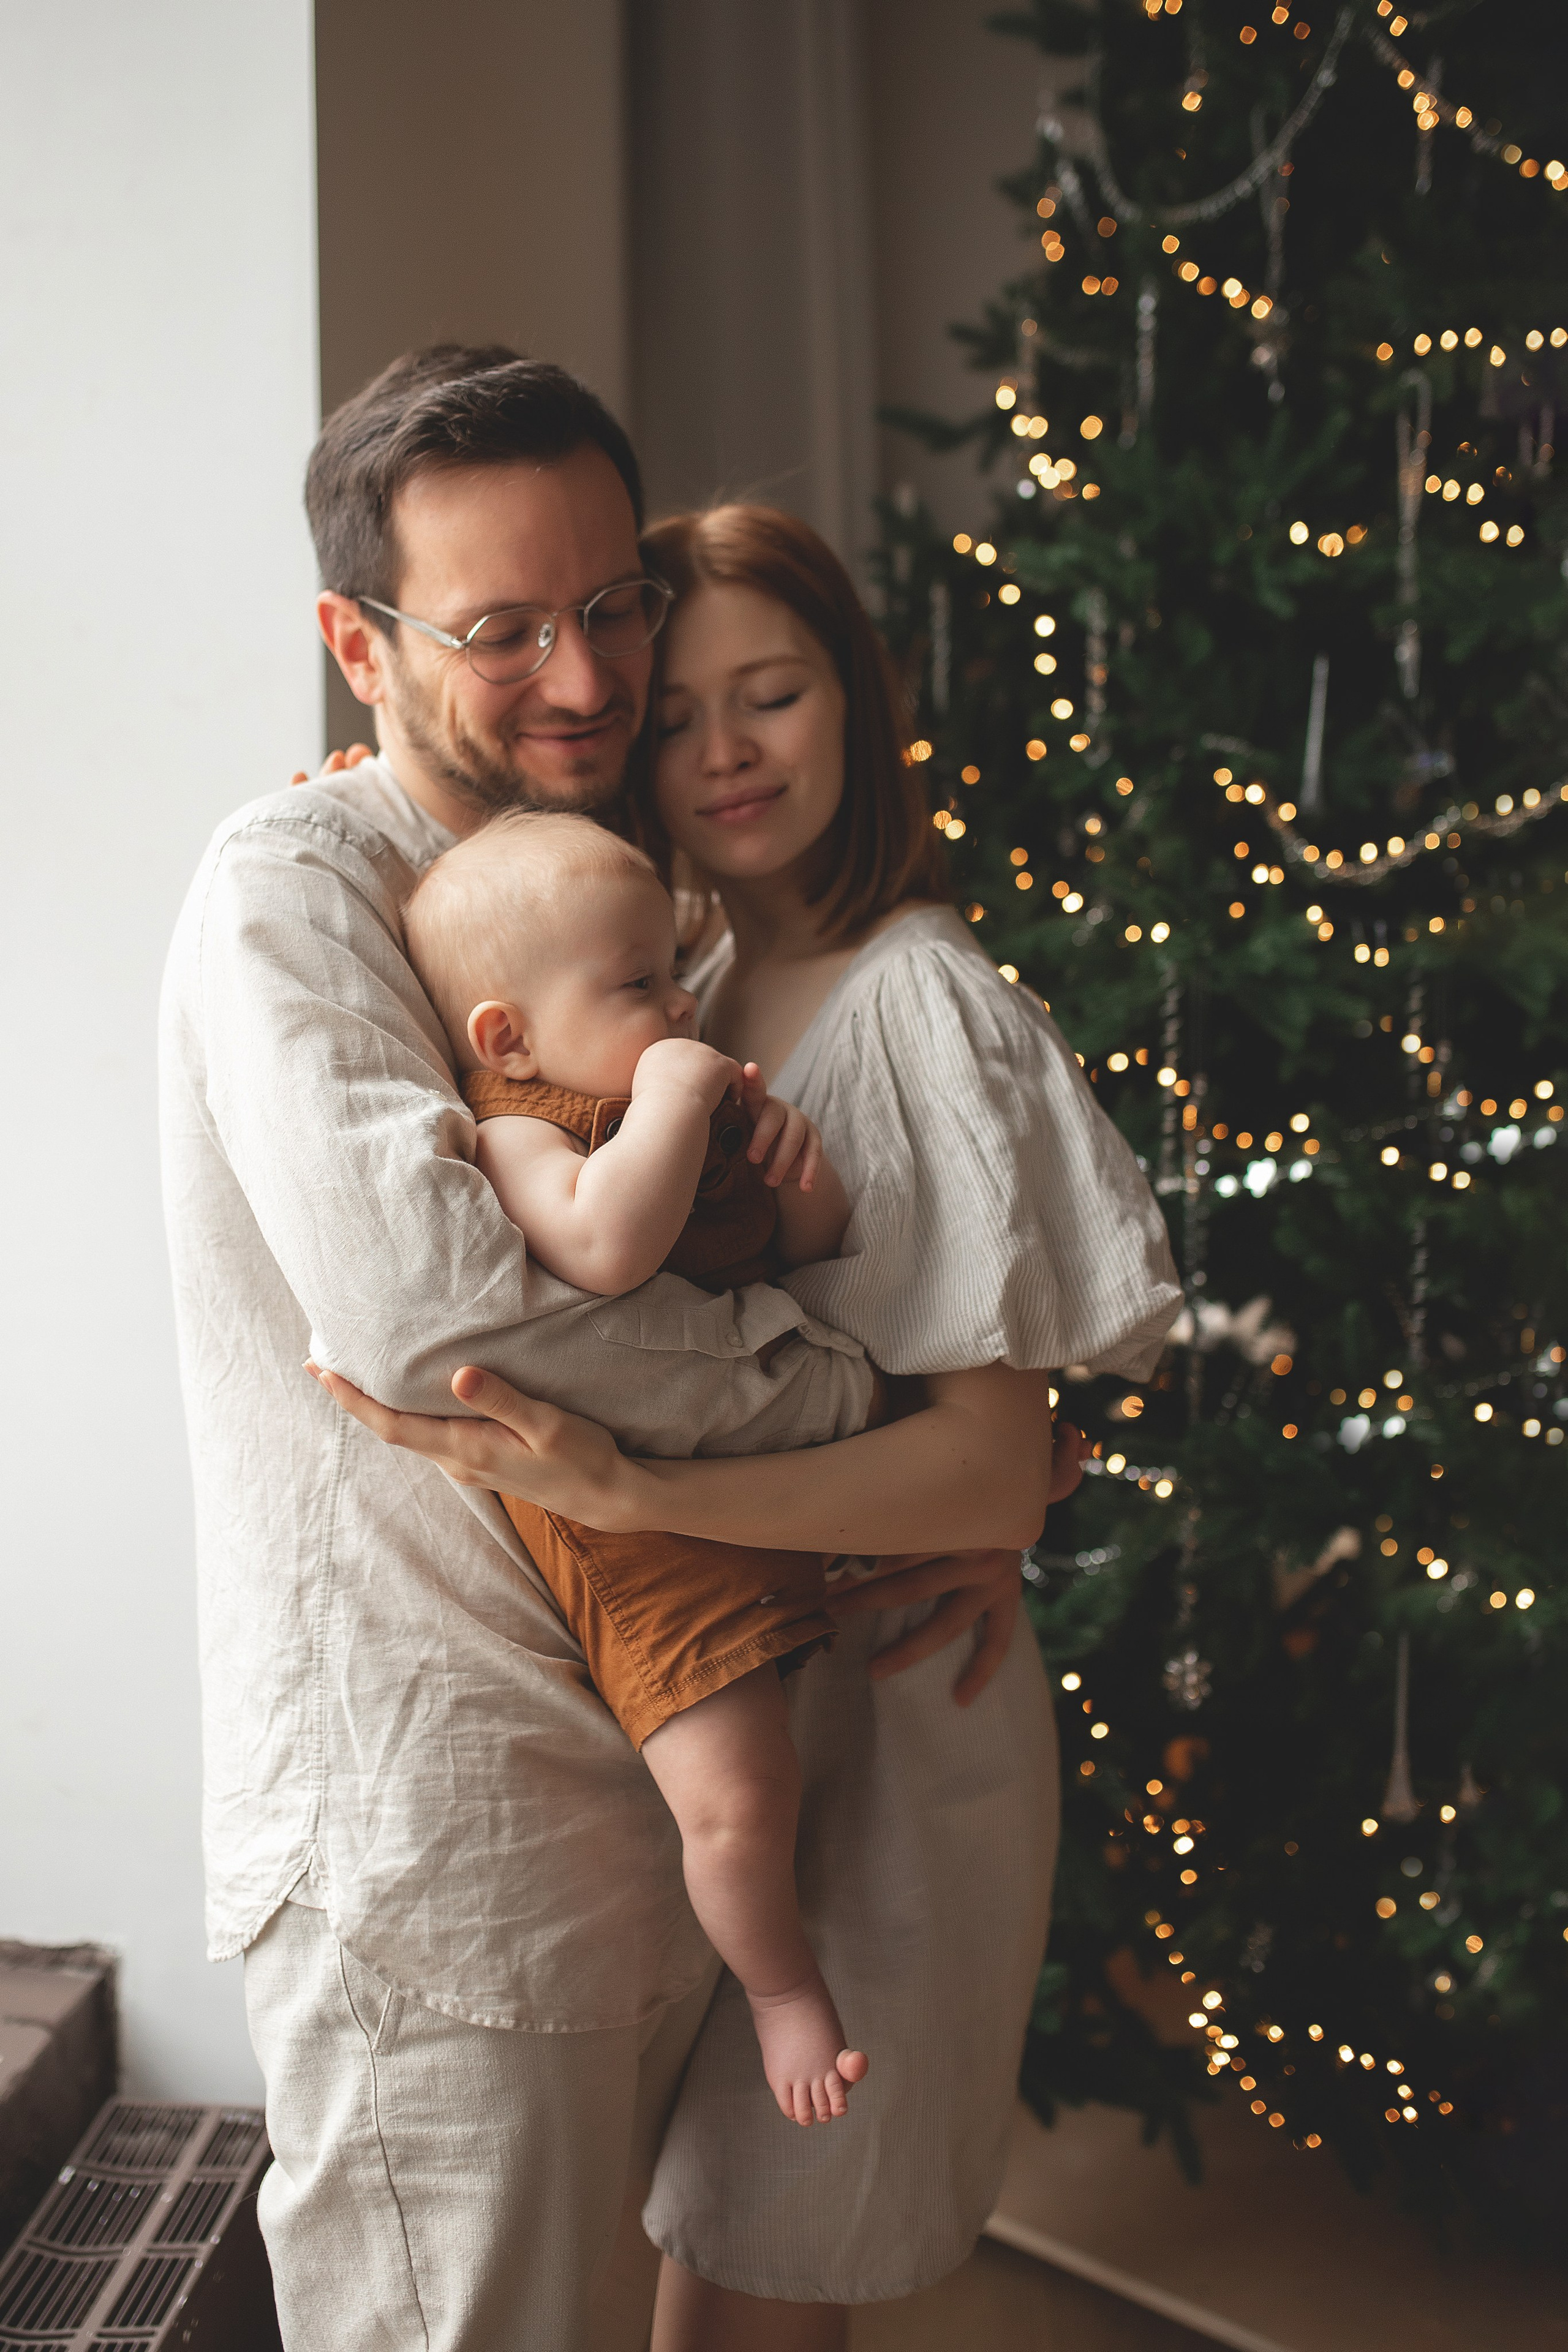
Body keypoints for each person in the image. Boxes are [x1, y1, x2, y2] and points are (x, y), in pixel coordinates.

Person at [161, 345, 1112, 2352]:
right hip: (441, 1820)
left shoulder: (622, 896)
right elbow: (449, 1319)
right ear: (358, 645)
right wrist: (889, 1434)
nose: (589, 679)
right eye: (504, 629)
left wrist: (982, 1455)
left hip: (651, 1793)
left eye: (615, 606)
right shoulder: (294, 895)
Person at [401, 805, 870, 2125]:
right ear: (507, 1037)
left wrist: (792, 1166)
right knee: (738, 1801)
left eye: (673, 973)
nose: (679, 1005)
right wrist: (670, 1099)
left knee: (801, 1769)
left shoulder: (672, 1103)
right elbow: (604, 1250)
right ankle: (782, 1992)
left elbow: (809, 1252)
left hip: (749, 1491)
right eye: (638, 985)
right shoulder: (522, 1133)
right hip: (638, 1549)